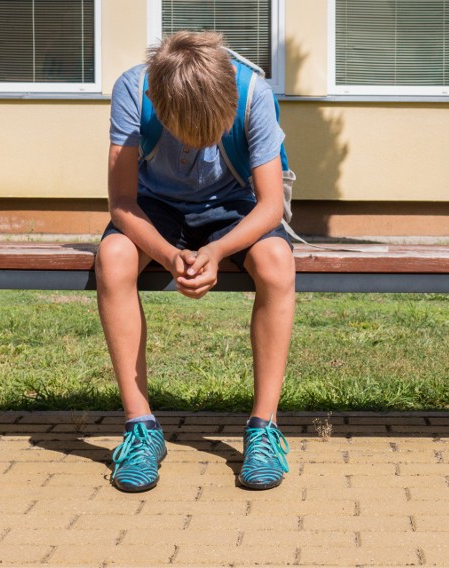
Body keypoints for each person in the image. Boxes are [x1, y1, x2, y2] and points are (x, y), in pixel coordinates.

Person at [95, 31, 295, 493]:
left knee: (277, 262)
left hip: (236, 206)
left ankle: (264, 429)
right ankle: (140, 429)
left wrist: (218, 249)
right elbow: (123, 201)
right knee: (113, 255)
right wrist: (168, 254)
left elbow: (268, 205)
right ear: (160, 103)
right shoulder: (133, 89)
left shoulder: (253, 93)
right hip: (155, 207)